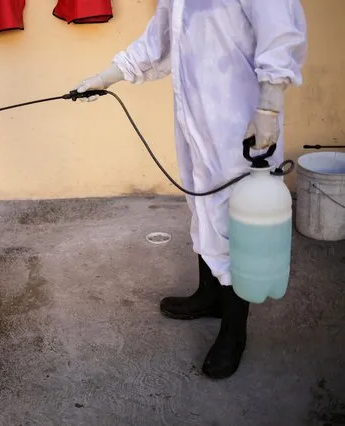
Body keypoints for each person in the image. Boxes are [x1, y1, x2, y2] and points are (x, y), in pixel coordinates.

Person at [73, 0, 306, 378]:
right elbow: (162, 38)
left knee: (237, 223)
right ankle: (210, 294)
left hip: (240, 120)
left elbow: (280, 29)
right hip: (197, 118)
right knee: (203, 206)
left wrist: (270, 104)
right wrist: (109, 75)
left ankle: (234, 331)